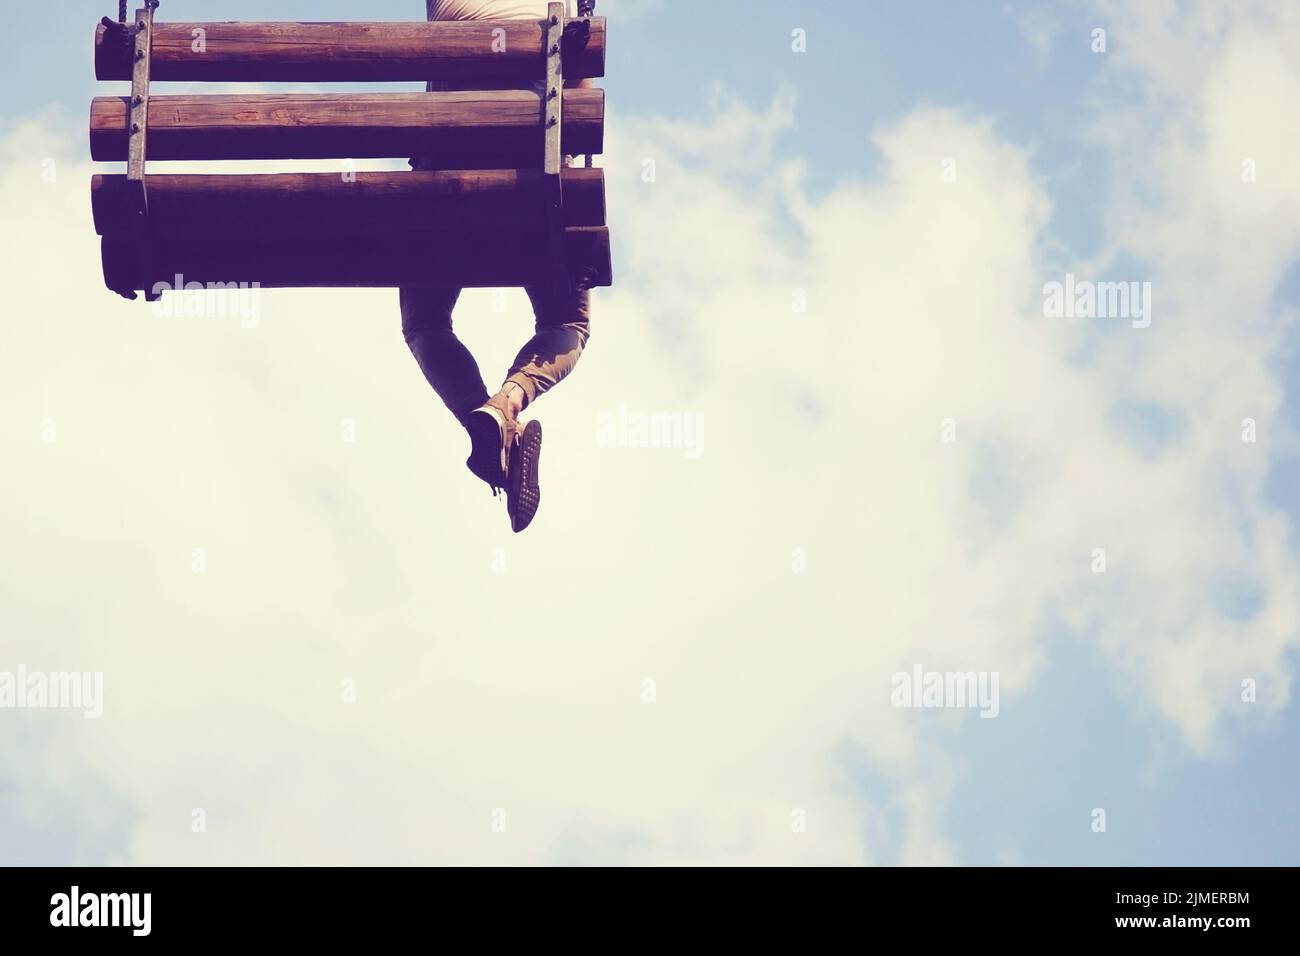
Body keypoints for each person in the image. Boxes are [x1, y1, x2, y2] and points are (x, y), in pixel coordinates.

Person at [401, 0, 594, 533]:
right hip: (533, 192)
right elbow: (577, 107)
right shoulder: (564, 7)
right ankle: (505, 406)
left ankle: (486, 422)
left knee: (426, 324)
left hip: (444, 192)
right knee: (567, 326)